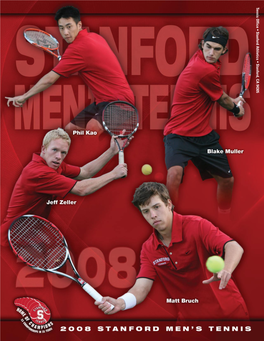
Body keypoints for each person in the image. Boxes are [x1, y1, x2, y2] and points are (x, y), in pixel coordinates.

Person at [95, 182, 249, 320]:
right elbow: (141, 288)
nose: (153, 215)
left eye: (156, 207)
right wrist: (121, 303)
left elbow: (234, 247)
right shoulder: (148, 248)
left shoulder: (198, 226)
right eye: (145, 211)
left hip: (229, 314)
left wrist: (226, 270)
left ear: (168, 204)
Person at [5, 6, 134, 134]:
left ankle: (103, 152)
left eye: (69, 26)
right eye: (61, 28)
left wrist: (24, 96)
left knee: (92, 129)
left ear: (79, 25)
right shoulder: (95, 37)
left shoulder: (78, 49)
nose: (65, 32)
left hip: (120, 104)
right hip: (103, 101)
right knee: (70, 130)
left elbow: (49, 80)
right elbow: (93, 67)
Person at [163, 27, 245, 215]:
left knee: (227, 180)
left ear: (224, 51)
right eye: (208, 47)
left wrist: (233, 101)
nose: (211, 53)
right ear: (201, 44)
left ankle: (224, 215)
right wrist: (236, 109)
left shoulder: (202, 61)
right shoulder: (203, 69)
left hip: (203, 137)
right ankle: (170, 218)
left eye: (217, 49)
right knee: (174, 174)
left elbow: (215, 92)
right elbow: (222, 99)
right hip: (178, 135)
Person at [1, 128, 128, 246]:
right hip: (10, 240)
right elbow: (81, 189)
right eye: (54, 150)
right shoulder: (38, 173)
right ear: (43, 149)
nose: (58, 157)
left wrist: (112, 151)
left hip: (27, 239)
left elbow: (85, 172)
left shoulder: (54, 165)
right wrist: (113, 174)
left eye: (63, 153)